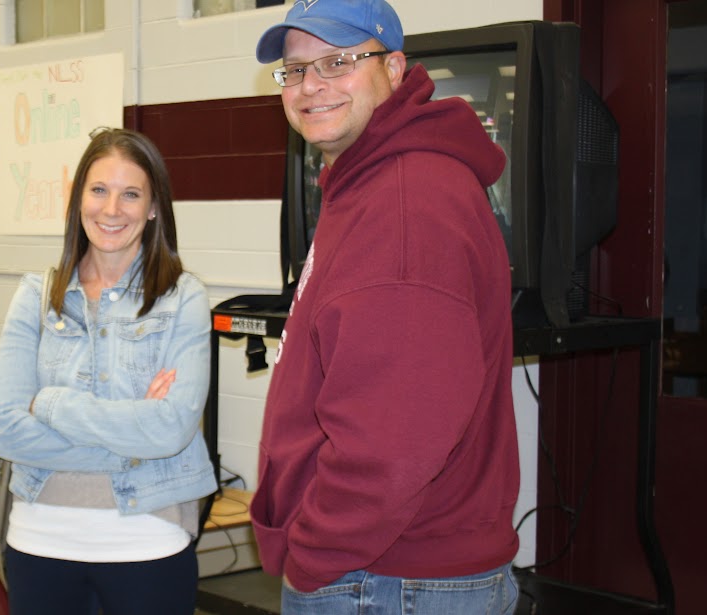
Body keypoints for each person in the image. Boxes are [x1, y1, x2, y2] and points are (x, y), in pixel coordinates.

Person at [248, 1, 519, 614]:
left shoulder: (404, 207)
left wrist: (314, 556)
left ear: (394, 69)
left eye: (339, 61)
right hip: (392, 573)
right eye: (294, 71)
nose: (311, 85)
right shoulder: (374, 182)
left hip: (386, 581)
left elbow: (394, 437)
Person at [0, 128, 216, 615]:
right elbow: (4, 429)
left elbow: (171, 429)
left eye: (131, 194)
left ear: (154, 207)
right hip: (39, 543)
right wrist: (133, 435)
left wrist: (50, 405)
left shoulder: (183, 298)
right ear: (79, 200)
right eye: (99, 190)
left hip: (148, 543)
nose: (112, 210)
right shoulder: (36, 294)